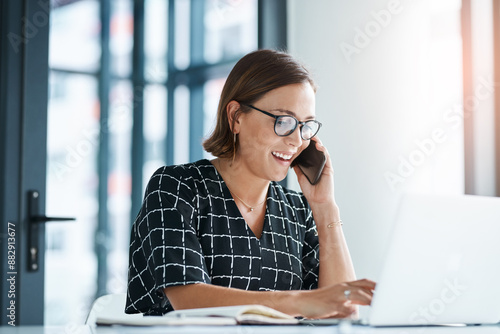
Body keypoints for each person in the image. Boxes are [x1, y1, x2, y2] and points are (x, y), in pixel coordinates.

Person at [125, 49, 375, 319]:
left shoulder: (297, 210)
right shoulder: (177, 187)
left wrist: (325, 207)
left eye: (306, 126)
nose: (296, 141)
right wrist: (303, 302)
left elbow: (342, 312)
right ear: (236, 117)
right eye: (284, 121)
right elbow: (188, 299)